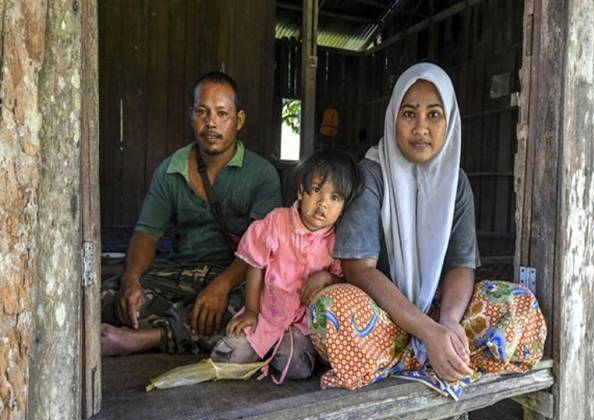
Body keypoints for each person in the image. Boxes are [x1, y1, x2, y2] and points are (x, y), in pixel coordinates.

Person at [308, 63, 547, 391]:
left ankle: (428, 356)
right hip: (384, 316)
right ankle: (434, 356)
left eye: (434, 115)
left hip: (439, 313)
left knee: (519, 303)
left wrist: (448, 322)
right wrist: (427, 331)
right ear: (393, 118)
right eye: (409, 114)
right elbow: (359, 270)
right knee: (330, 307)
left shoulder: (457, 183)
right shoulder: (371, 175)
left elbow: (461, 265)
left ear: (449, 121)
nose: (421, 127)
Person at [101, 71, 282, 356]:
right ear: (191, 115)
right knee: (108, 298)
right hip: (180, 272)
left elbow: (262, 253)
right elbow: (147, 234)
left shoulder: (262, 175)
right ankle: (178, 324)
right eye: (202, 112)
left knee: (256, 314)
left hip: (235, 276)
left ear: (240, 120)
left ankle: (148, 337)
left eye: (222, 113)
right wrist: (132, 280)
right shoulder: (170, 170)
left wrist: (221, 286)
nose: (211, 123)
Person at [210, 150, 361, 382]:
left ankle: (276, 353)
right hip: (266, 315)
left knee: (296, 367)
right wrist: (251, 311)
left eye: (335, 198)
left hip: (302, 327)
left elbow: (345, 282)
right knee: (227, 358)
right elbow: (255, 265)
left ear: (344, 206)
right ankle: (260, 346)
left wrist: (327, 278)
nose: (323, 203)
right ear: (301, 190)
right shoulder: (276, 222)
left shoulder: (339, 241)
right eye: (317, 190)